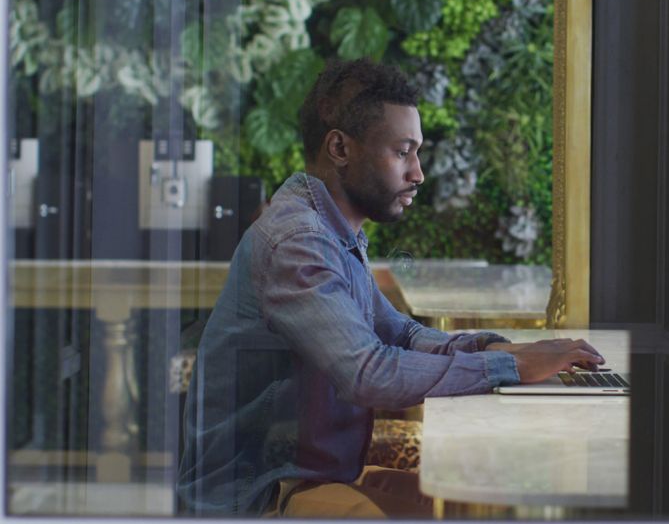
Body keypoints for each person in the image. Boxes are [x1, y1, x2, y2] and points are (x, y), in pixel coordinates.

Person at [178, 58, 603, 518]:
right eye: (403, 152)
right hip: (257, 499)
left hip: (308, 476)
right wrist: (506, 366)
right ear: (339, 147)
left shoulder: (330, 227)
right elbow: (369, 373)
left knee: (459, 501)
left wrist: (499, 348)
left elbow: (399, 334)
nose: (418, 173)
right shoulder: (298, 242)